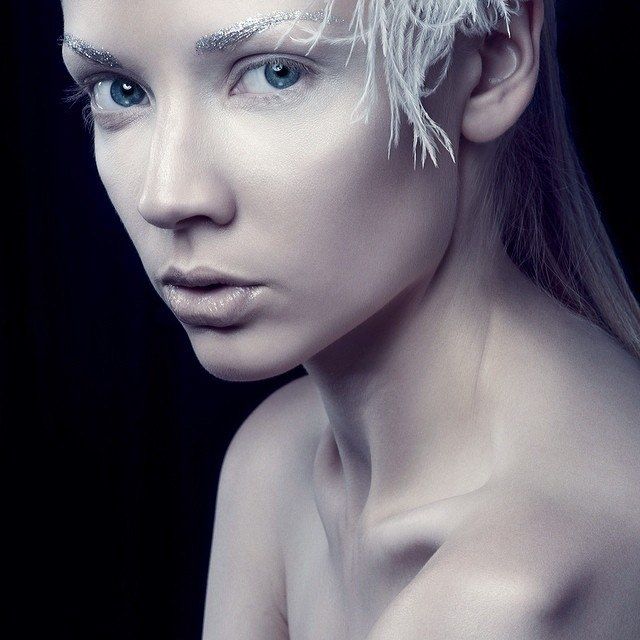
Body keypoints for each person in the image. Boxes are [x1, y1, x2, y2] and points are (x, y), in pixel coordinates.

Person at [59, 0, 640, 637]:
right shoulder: (278, 458)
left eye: (277, 73)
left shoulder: (503, 597)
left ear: (493, 60)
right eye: (119, 90)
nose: (167, 196)